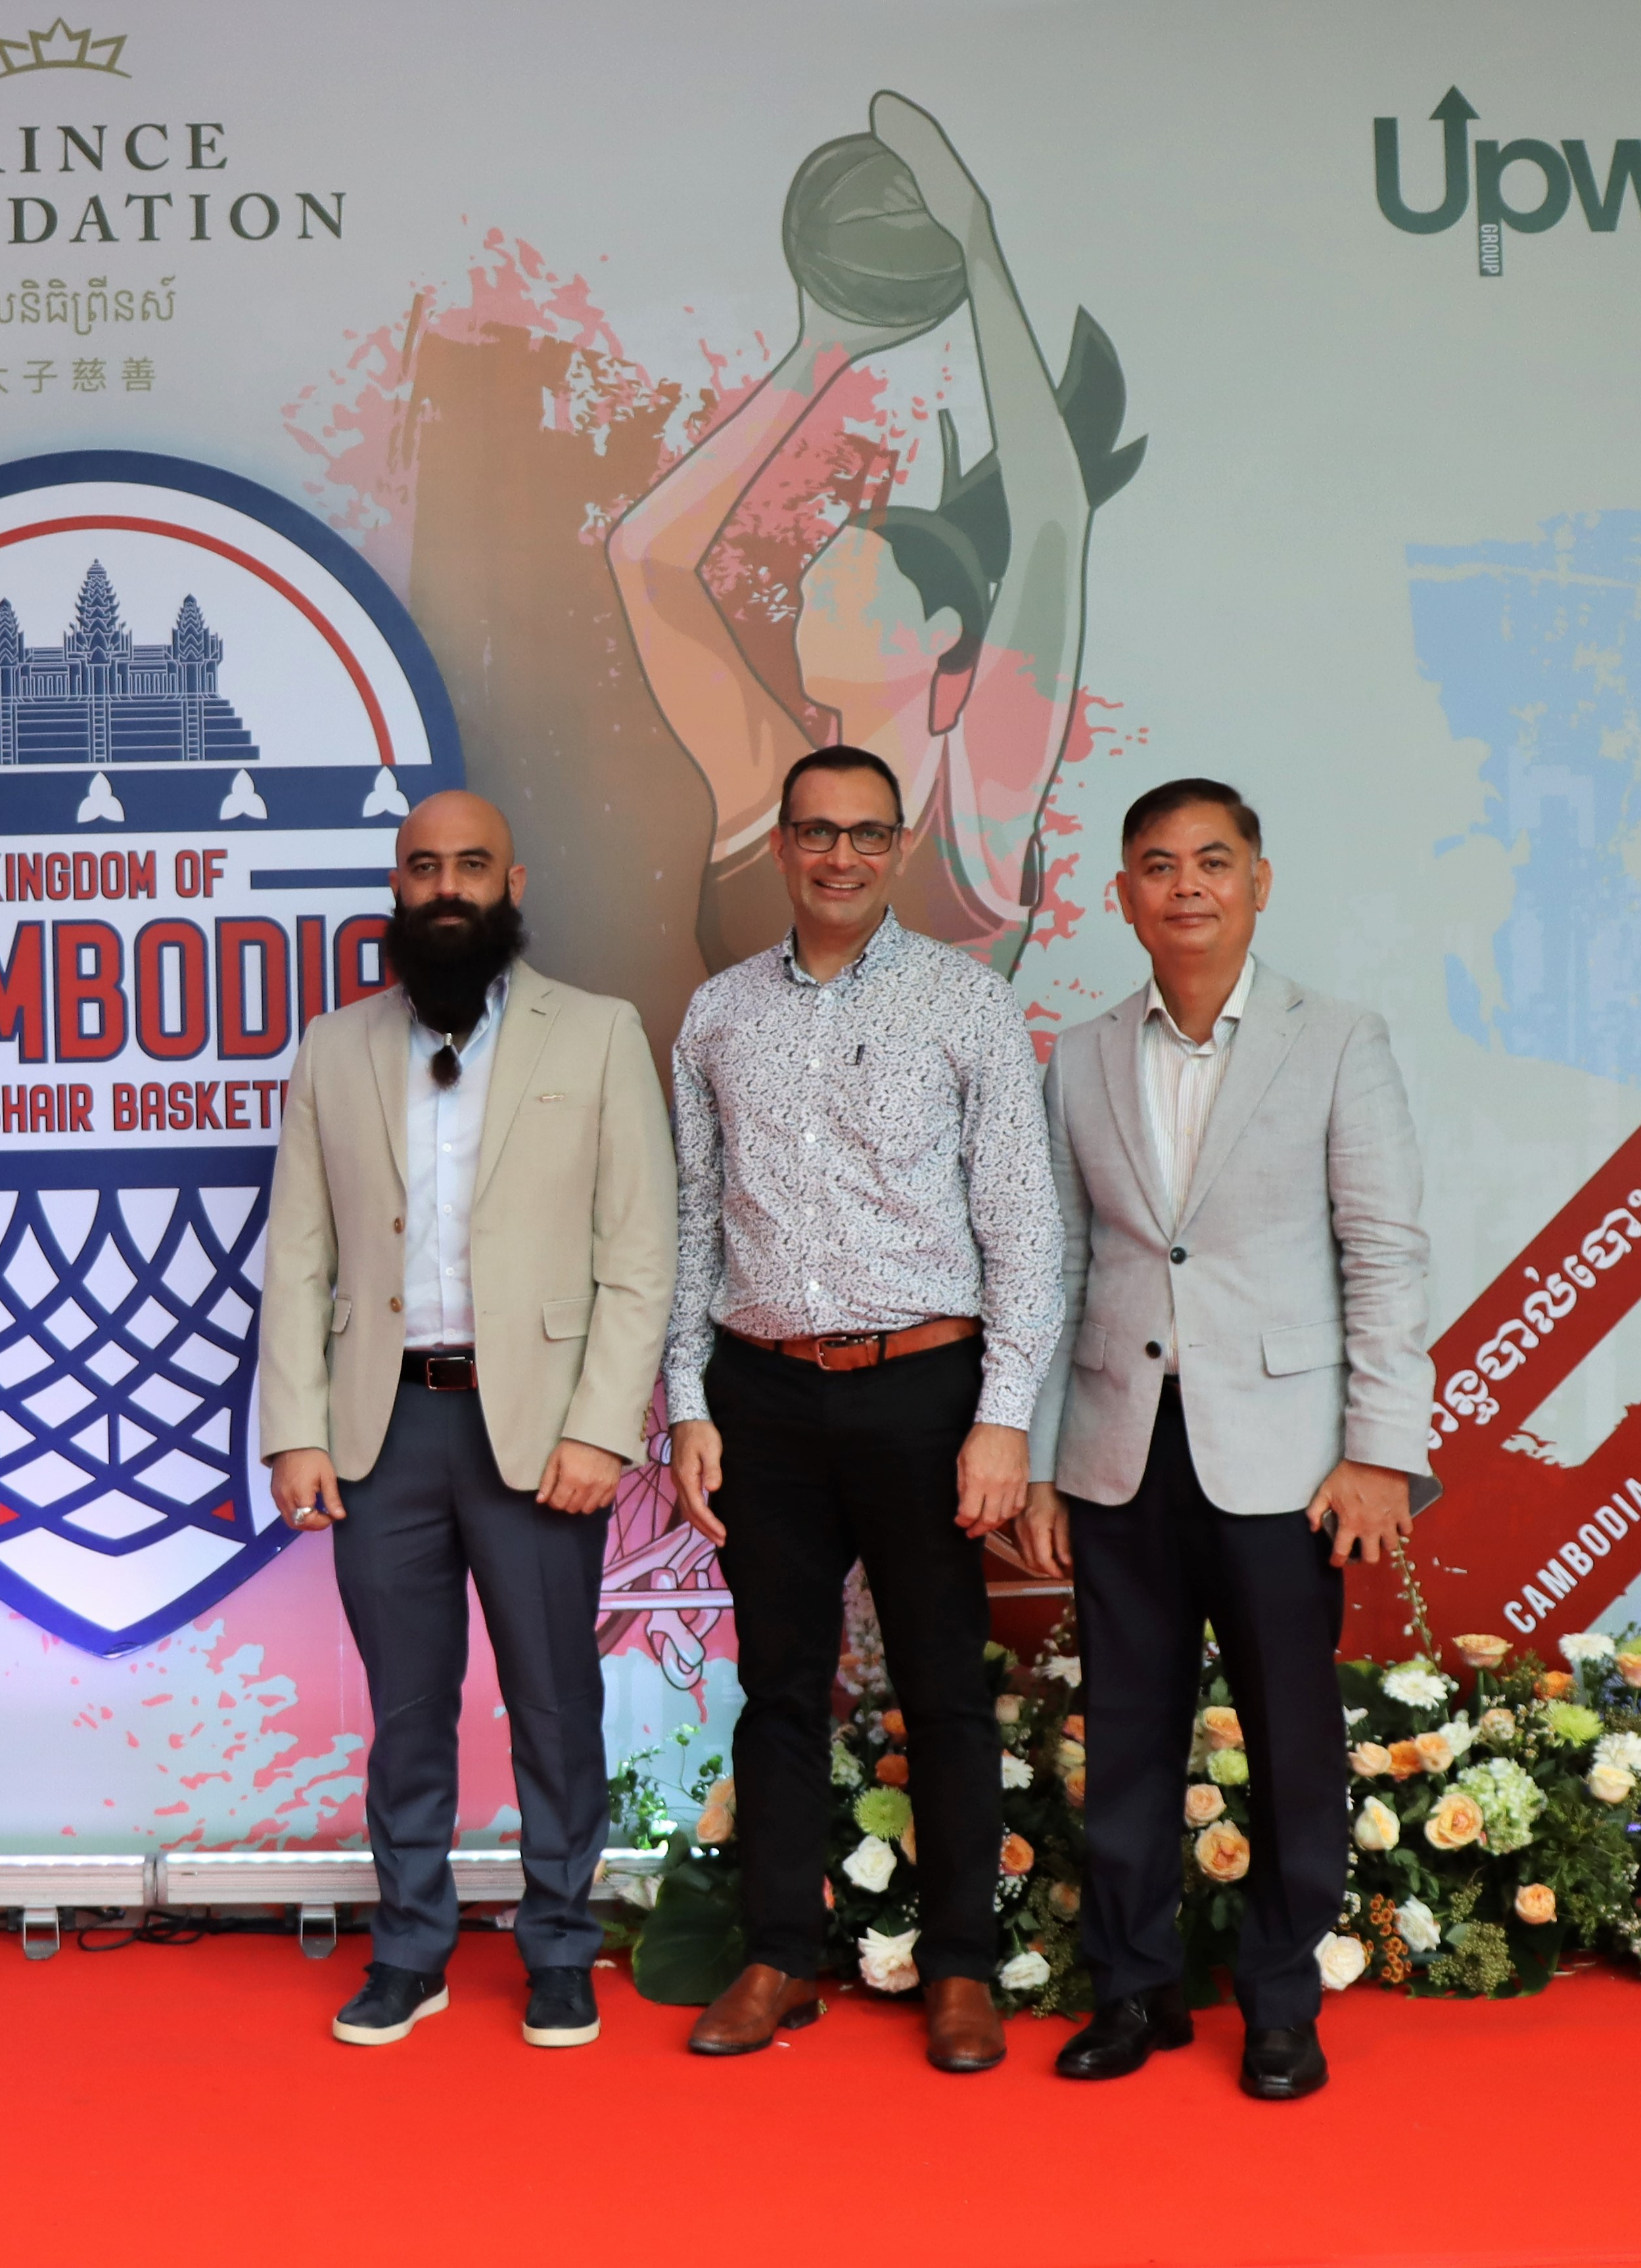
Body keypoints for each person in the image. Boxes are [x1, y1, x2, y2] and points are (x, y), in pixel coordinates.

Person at [1023, 779, 1434, 2102]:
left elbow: (1384, 1253)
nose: (1185, 884)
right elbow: (1061, 1264)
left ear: (1259, 882)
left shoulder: (1338, 1040)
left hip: (1286, 1459)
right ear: (1123, 896)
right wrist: (1041, 1455)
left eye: (1213, 860)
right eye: (1158, 864)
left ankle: (1280, 1998)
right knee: (1126, 1736)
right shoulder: (1080, 1055)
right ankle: (1133, 1987)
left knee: (1291, 1741)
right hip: (1119, 1448)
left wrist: (1380, 1447)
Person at [660, 744, 1061, 2068]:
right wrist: (688, 1400)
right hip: (761, 1394)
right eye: (817, 833)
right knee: (777, 1688)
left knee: (944, 1688)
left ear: (899, 848)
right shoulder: (717, 1015)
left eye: (866, 834)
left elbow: (1023, 1223)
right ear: (781, 845)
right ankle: (779, 1953)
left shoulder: (966, 1003)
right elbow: (691, 1223)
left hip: (926, 1390)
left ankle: (960, 1968)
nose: (841, 856)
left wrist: (1003, 1414)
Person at [258, 792, 678, 2052]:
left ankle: (559, 1946)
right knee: (405, 1710)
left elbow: (639, 1255)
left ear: (514, 882)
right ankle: (409, 1948)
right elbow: (299, 1256)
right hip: (382, 1431)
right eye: (425, 866)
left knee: (555, 1702)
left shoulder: (598, 1034)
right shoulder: (334, 1046)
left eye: (472, 866)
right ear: (398, 886)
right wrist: (295, 1427)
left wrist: (603, 1429)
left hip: (541, 1434)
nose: (448, 887)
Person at [604, 91, 1140, 980]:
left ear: (940, 632)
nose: (807, 604)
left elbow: (1052, 516)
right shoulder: (773, 783)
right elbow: (644, 557)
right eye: (812, 587)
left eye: (845, 586)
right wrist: (822, 348)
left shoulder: (978, 801)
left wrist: (976, 242)